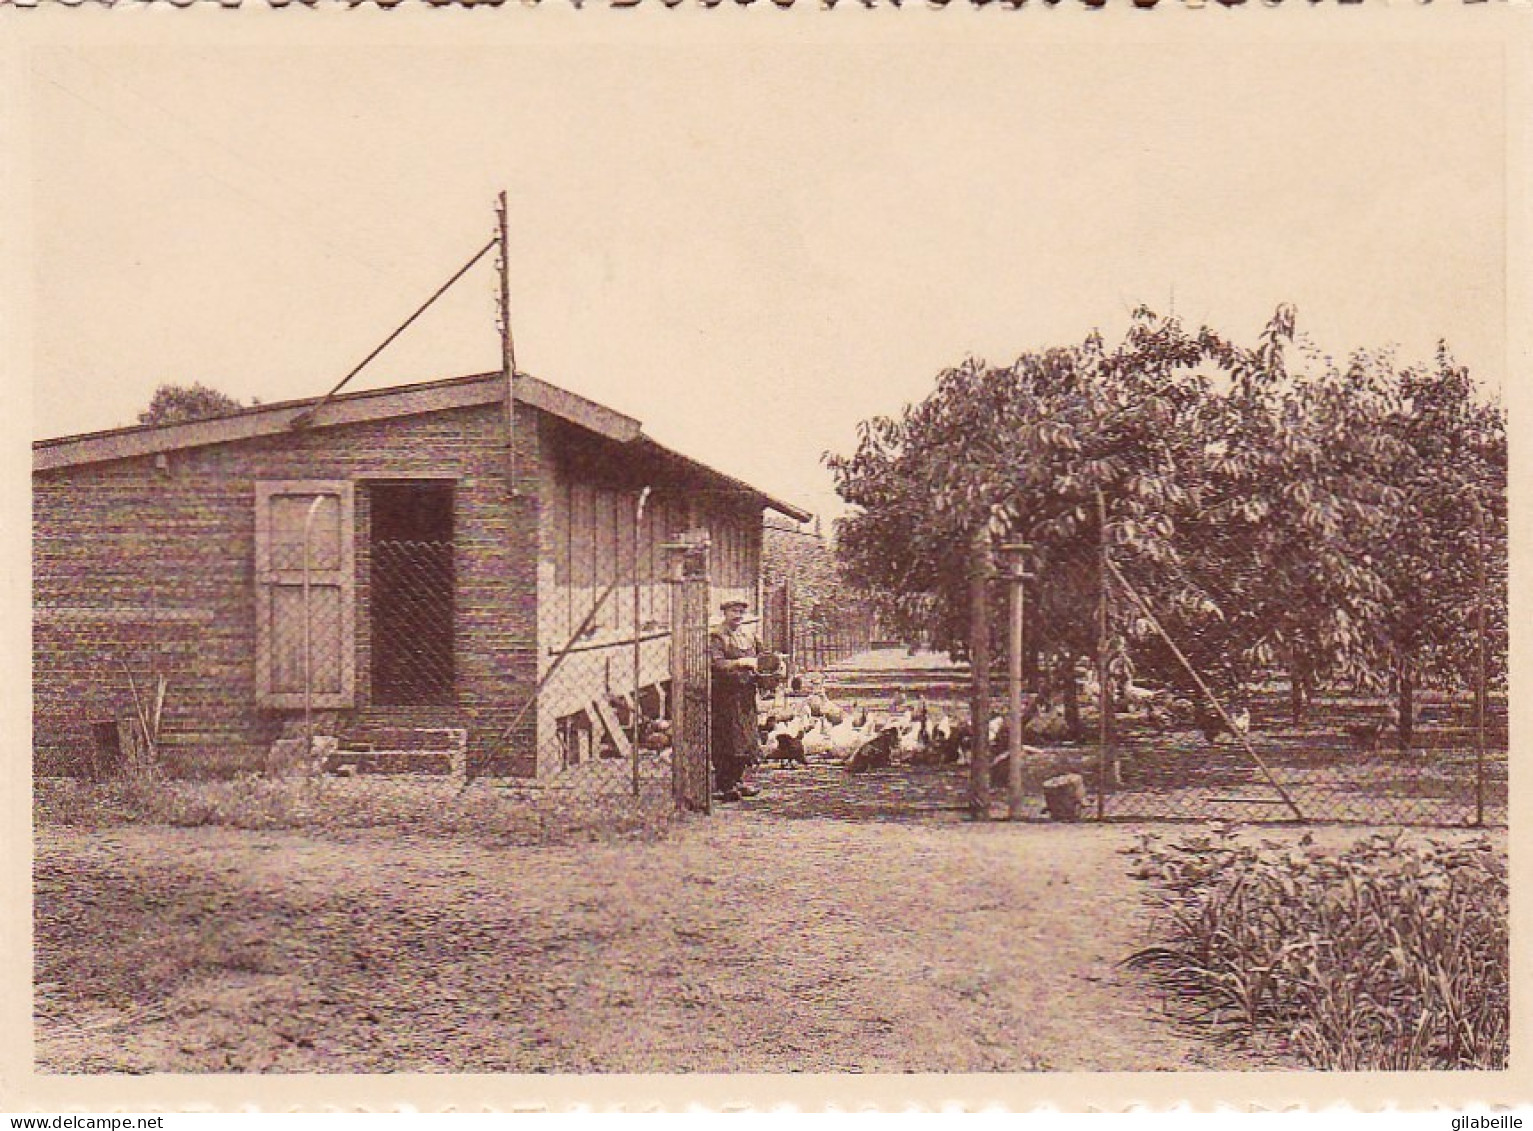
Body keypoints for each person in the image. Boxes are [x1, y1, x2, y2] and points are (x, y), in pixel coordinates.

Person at [708, 598, 764, 802]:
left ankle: (740, 780)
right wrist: (740, 662)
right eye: (734, 611)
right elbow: (717, 664)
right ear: (725, 613)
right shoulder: (717, 636)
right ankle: (725, 785)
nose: (738, 616)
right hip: (725, 694)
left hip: (746, 693)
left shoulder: (748, 635)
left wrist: (768, 666)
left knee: (746, 738)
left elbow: (763, 657)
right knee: (727, 738)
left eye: (741, 612)